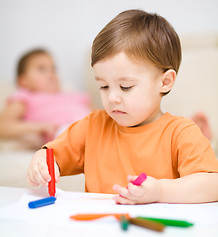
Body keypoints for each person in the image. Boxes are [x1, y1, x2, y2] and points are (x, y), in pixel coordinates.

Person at [27, 10, 218, 204]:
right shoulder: (92, 126)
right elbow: (52, 155)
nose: (112, 97)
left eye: (125, 87)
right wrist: (41, 162)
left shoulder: (181, 133)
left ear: (165, 82)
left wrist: (160, 191)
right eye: (103, 86)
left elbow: (212, 186)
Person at [0, 49, 91, 149]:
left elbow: (99, 114)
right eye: (42, 69)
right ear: (23, 81)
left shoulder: (74, 95)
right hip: (66, 133)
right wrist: (39, 127)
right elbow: (2, 125)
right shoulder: (26, 96)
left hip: (93, 126)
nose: (51, 74)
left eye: (53, 69)